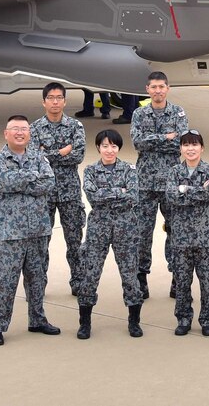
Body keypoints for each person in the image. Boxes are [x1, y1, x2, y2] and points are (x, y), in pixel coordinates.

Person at [0, 115, 58, 346]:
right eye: (15, 129)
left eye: (24, 129)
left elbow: (48, 182)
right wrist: (30, 177)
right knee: (2, 281)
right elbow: (2, 182)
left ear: (29, 133)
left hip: (37, 230)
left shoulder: (39, 158)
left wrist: (19, 181)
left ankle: (37, 319)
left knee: (37, 279)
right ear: (6, 134)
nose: (19, 133)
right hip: (8, 233)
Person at [76, 129, 143, 340]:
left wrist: (110, 193)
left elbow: (133, 196)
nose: (109, 150)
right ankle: (84, 322)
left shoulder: (129, 169)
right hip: (99, 228)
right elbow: (92, 197)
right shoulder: (90, 171)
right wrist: (119, 192)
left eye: (113, 146)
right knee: (90, 274)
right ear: (98, 148)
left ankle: (134, 321)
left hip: (126, 228)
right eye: (105, 146)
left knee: (130, 275)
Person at [130, 71, 188, 298]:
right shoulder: (139, 113)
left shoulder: (178, 112)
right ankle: (141, 278)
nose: (158, 91)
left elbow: (181, 144)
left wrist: (154, 139)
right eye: (153, 87)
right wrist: (166, 137)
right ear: (147, 89)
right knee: (142, 233)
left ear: (168, 88)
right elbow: (138, 143)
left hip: (171, 182)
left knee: (175, 230)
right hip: (144, 182)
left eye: (161, 86)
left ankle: (176, 278)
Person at [29, 82, 87, 294]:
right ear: (43, 102)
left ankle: (79, 282)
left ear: (65, 101)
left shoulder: (75, 126)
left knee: (75, 241)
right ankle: (38, 285)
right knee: (41, 241)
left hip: (69, 192)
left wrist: (49, 153)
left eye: (58, 98)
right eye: (51, 98)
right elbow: (35, 160)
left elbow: (78, 156)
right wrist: (63, 152)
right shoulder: (34, 128)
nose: (55, 101)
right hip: (44, 193)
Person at [164, 130, 209, 336]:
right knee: (182, 282)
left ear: (202, 148)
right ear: (180, 148)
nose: (190, 149)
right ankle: (183, 319)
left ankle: (208, 320)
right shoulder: (173, 172)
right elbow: (171, 196)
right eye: (186, 145)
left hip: (206, 238)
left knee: (208, 283)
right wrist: (197, 190)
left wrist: (184, 189)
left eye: (194, 144)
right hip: (180, 238)